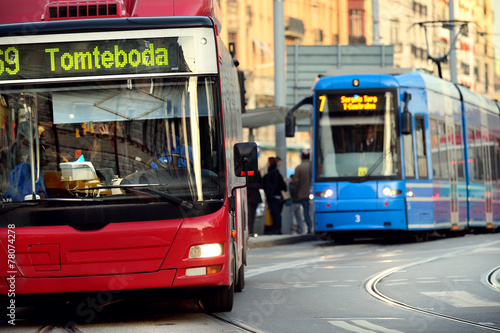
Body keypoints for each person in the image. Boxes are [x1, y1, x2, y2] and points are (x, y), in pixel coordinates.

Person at [262, 157, 286, 235]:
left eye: (268, 163)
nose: (267, 164)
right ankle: (276, 229)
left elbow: (272, 185)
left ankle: (276, 229)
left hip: (274, 197)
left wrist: (270, 195)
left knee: (275, 213)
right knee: (276, 213)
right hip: (275, 196)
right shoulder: (275, 172)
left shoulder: (273, 172)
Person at [293, 151, 313, 234]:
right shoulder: (312, 166)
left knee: (306, 211)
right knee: (312, 211)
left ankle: (309, 228)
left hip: (303, 193)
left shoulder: (299, 168)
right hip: (314, 192)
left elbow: (295, 181)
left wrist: (299, 189)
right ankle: (313, 226)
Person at [246, 169, 262, 235]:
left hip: (250, 196)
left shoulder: (245, 171)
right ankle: (250, 230)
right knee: (251, 215)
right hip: (254, 196)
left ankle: (250, 230)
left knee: (250, 214)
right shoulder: (257, 172)